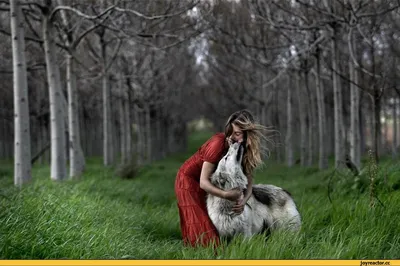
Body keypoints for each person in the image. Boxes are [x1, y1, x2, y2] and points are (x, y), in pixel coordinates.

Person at [174, 109, 269, 247]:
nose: (240, 139)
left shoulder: (244, 148)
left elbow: (249, 182)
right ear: (229, 130)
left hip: (211, 182)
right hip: (190, 180)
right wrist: (225, 194)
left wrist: (243, 201)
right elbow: (203, 182)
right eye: (236, 133)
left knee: (211, 225)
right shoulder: (217, 145)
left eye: (243, 134)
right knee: (203, 229)